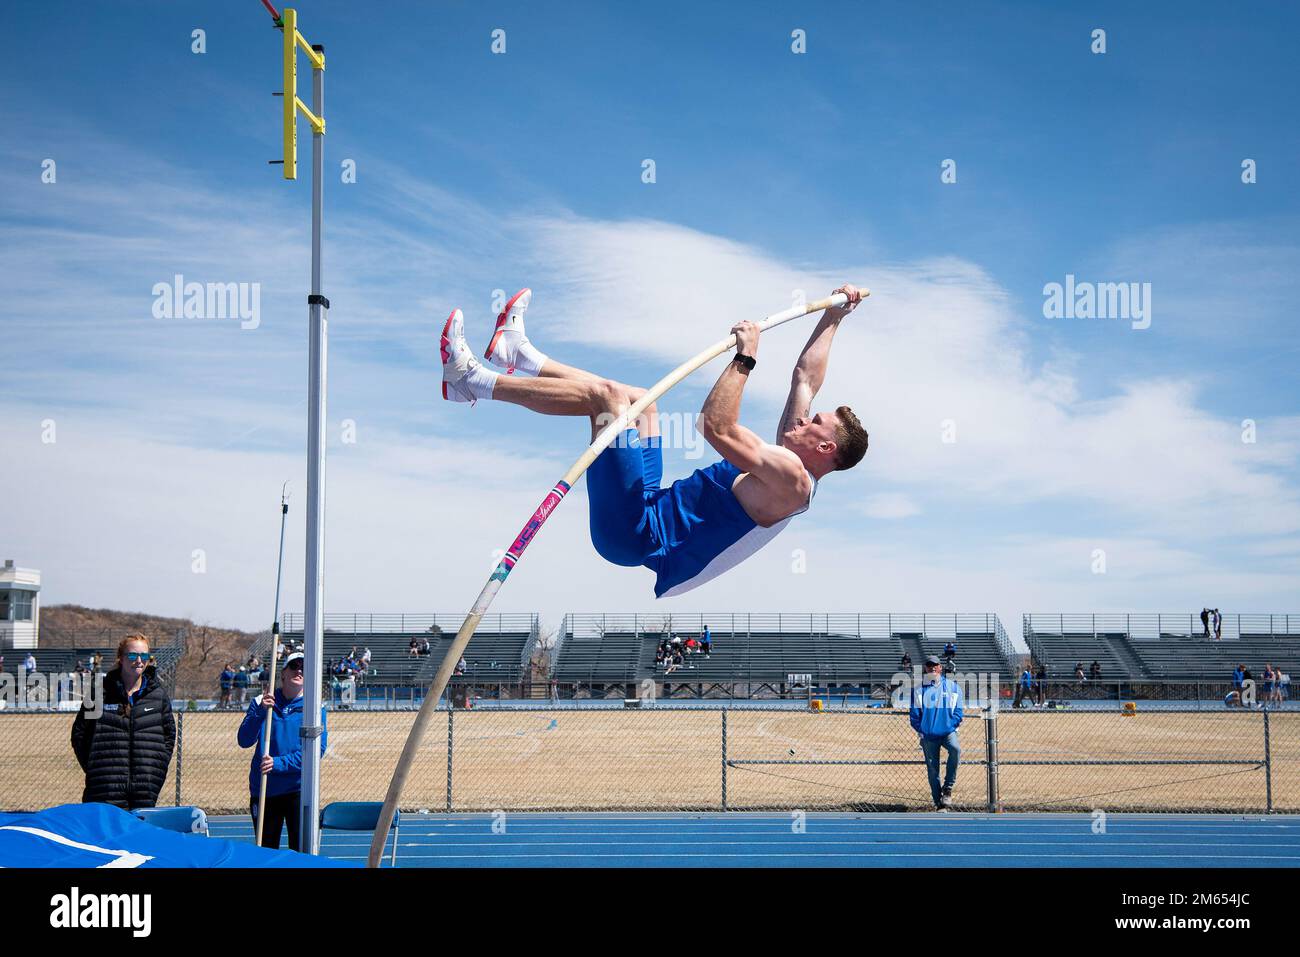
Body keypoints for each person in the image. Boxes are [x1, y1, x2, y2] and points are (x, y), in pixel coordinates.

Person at [440, 285, 870, 597]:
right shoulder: (792, 456)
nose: (805, 417)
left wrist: (745, 357)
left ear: (825, 448)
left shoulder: (791, 480)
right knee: (643, 405)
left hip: (635, 535)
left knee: (605, 401)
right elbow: (805, 378)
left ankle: (473, 381)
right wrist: (835, 316)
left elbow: (714, 426)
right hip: (650, 504)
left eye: (815, 421)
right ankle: (519, 356)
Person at [70, 634, 175, 809]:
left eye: (145, 656)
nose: (139, 661)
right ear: (121, 658)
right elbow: (80, 734)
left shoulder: (158, 696)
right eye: (133, 655)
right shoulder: (99, 693)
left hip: (145, 788)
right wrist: (96, 767)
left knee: (139, 835)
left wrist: (156, 768)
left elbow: (169, 735)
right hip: (104, 788)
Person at [237, 652, 327, 852]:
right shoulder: (262, 701)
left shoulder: (314, 707)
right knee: (266, 852)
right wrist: (260, 712)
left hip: (299, 791)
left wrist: (279, 763)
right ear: (283, 673)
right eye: (294, 666)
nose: (300, 670)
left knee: (300, 852)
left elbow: (316, 752)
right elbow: (244, 740)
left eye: (304, 667)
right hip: (265, 790)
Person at [909, 655, 964, 809]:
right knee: (933, 771)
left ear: (940, 667)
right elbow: (914, 716)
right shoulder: (918, 690)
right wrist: (923, 731)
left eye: (935, 665)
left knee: (956, 750)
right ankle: (938, 803)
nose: (932, 667)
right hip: (929, 737)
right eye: (929, 665)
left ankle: (948, 788)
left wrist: (949, 726)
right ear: (926, 668)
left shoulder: (953, 687)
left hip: (948, 733)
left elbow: (959, 712)